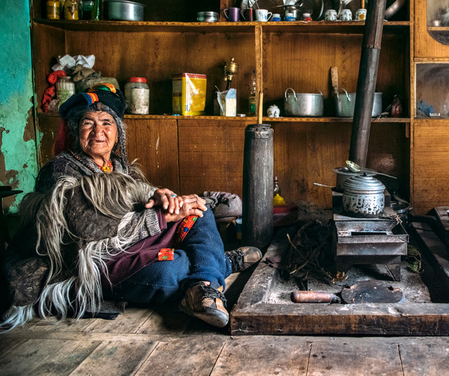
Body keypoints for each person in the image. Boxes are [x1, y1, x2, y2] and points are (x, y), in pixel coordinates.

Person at [0, 84, 261, 330]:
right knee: (172, 271)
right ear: (75, 130)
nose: (98, 131)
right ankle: (218, 266)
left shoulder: (123, 169)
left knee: (196, 210)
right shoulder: (61, 170)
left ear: (118, 132)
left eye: (106, 123)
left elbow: (146, 204)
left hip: (142, 243)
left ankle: (203, 286)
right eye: (88, 123)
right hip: (98, 261)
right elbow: (85, 230)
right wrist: (160, 218)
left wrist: (167, 200)